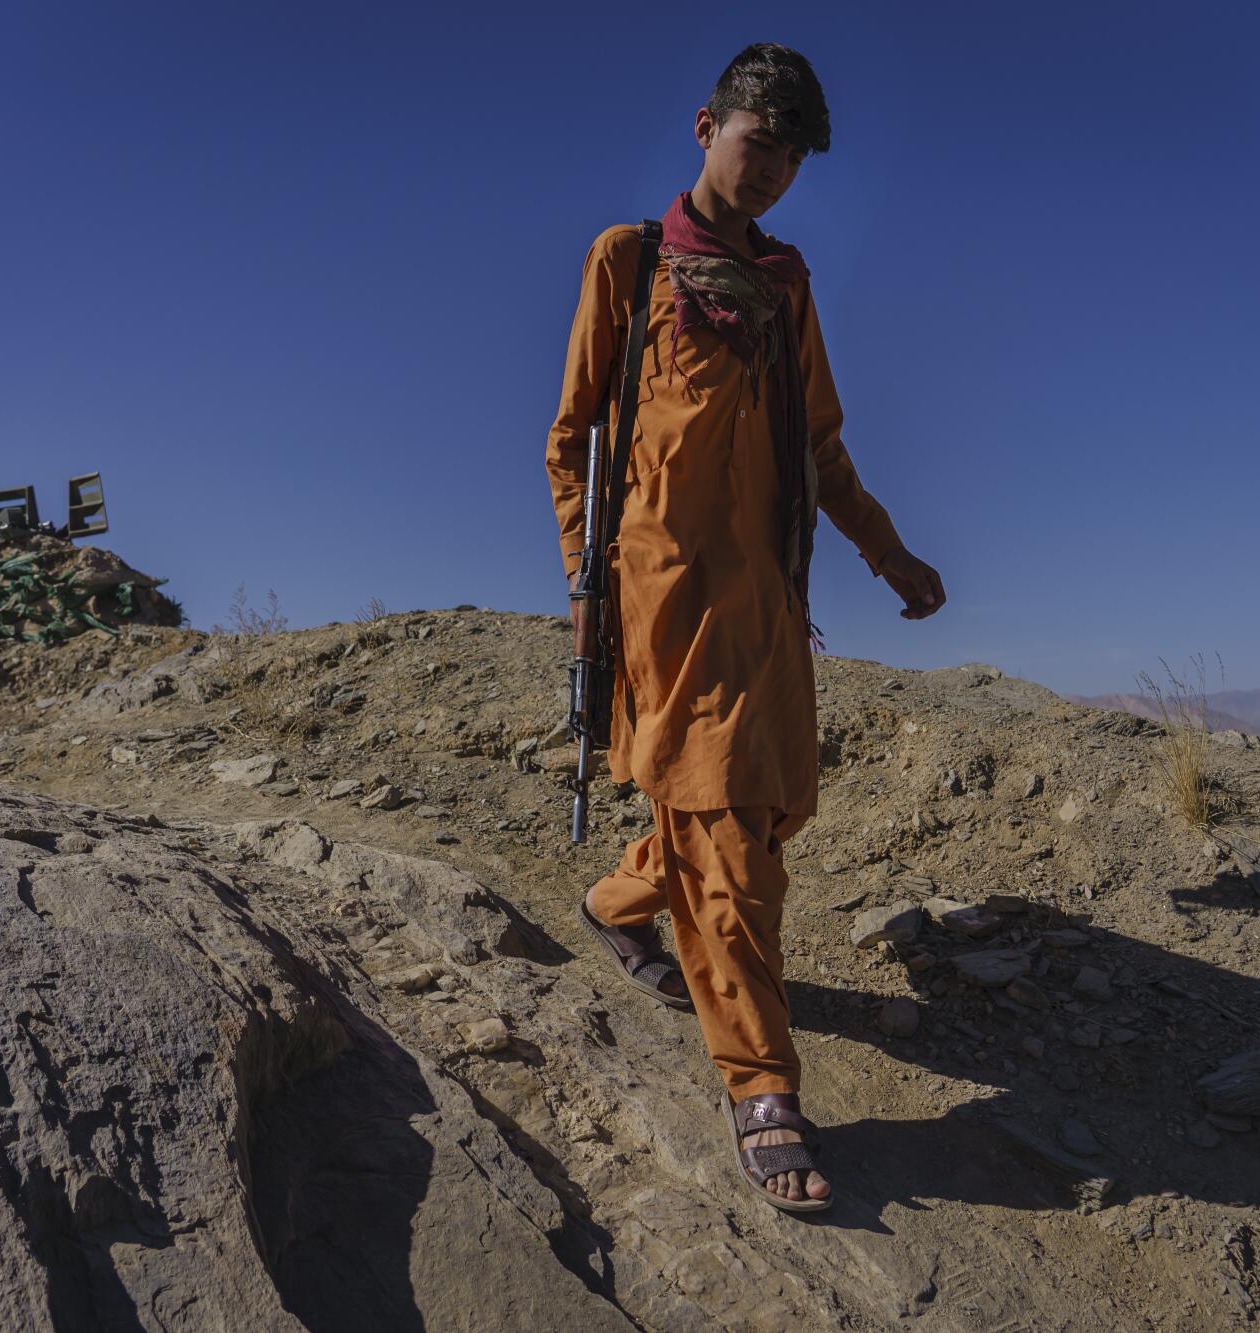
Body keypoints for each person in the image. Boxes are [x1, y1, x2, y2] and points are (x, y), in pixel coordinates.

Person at [544, 42, 945, 1213]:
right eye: (755, 141)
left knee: (762, 813)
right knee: (721, 831)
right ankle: (760, 1083)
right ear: (706, 125)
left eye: (789, 156)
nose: (769, 170)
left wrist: (888, 551)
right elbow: (573, 439)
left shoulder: (786, 283)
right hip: (660, 598)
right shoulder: (630, 262)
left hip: (768, 602)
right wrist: (584, 579)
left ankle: (617, 900)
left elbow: (817, 448)